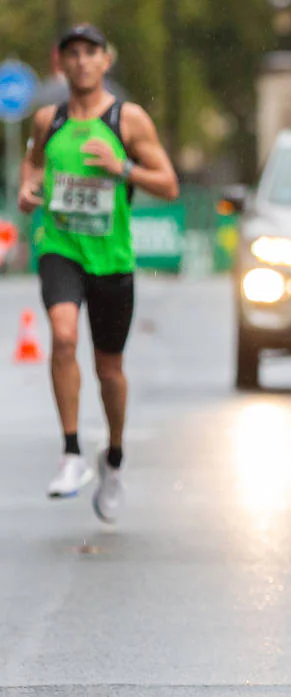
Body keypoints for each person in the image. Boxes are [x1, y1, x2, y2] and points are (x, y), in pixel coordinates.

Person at [17, 24, 179, 521]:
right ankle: (70, 452)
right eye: (73, 54)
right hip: (60, 246)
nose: (82, 62)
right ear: (60, 63)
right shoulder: (50, 118)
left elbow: (169, 185)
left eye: (91, 53)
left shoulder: (127, 121)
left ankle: (112, 457)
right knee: (62, 337)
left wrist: (122, 168)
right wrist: (28, 189)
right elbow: (33, 166)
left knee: (109, 369)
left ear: (106, 61)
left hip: (111, 258)